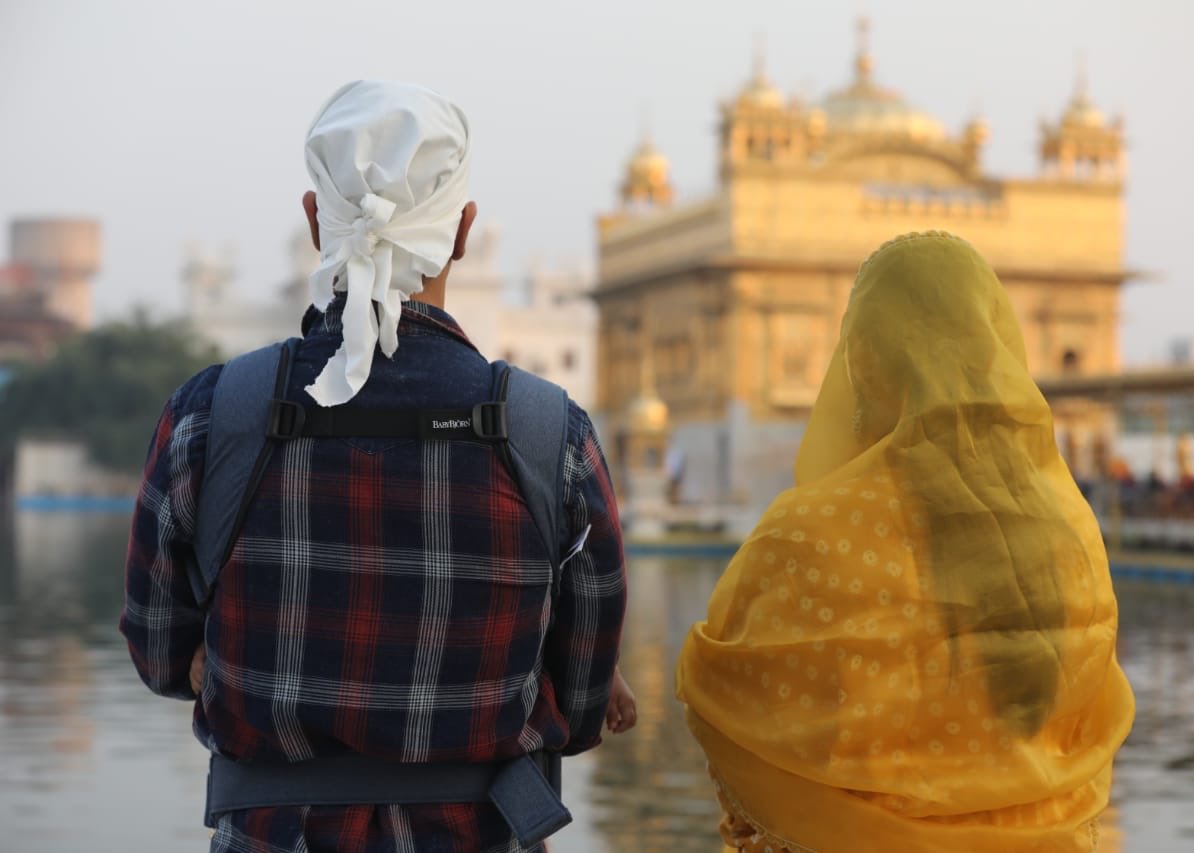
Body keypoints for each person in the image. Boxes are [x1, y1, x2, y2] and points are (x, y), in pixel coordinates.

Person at [120, 80, 629, 852]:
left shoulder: (214, 414)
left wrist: (220, 663)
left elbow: (159, 649)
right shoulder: (548, 433)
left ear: (314, 220)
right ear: (463, 231)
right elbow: (587, 702)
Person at [677, 231, 1135, 852]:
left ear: (865, 361)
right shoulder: (1068, 529)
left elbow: (725, 697)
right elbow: (1083, 717)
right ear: (996, 347)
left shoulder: (808, 532)